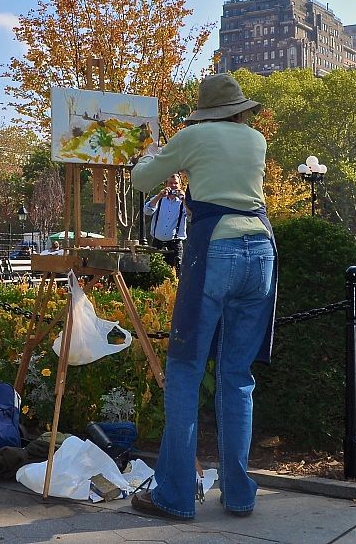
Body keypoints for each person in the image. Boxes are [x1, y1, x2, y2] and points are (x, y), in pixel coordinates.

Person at [130, 73, 276, 521]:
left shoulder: (193, 135)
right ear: (239, 109)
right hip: (262, 250)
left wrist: (152, 153)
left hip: (216, 249)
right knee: (237, 375)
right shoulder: (256, 140)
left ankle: (174, 494)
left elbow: (140, 181)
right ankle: (239, 494)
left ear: (205, 111)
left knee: (186, 369)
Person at [144, 172, 188, 269]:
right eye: (170, 183)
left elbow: (191, 217)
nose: (173, 186)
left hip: (175, 245)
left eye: (176, 183)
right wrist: (160, 195)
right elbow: (147, 211)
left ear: (180, 185)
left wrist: (184, 199)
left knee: (176, 272)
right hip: (157, 243)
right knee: (155, 272)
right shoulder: (159, 199)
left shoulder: (184, 202)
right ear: (166, 185)